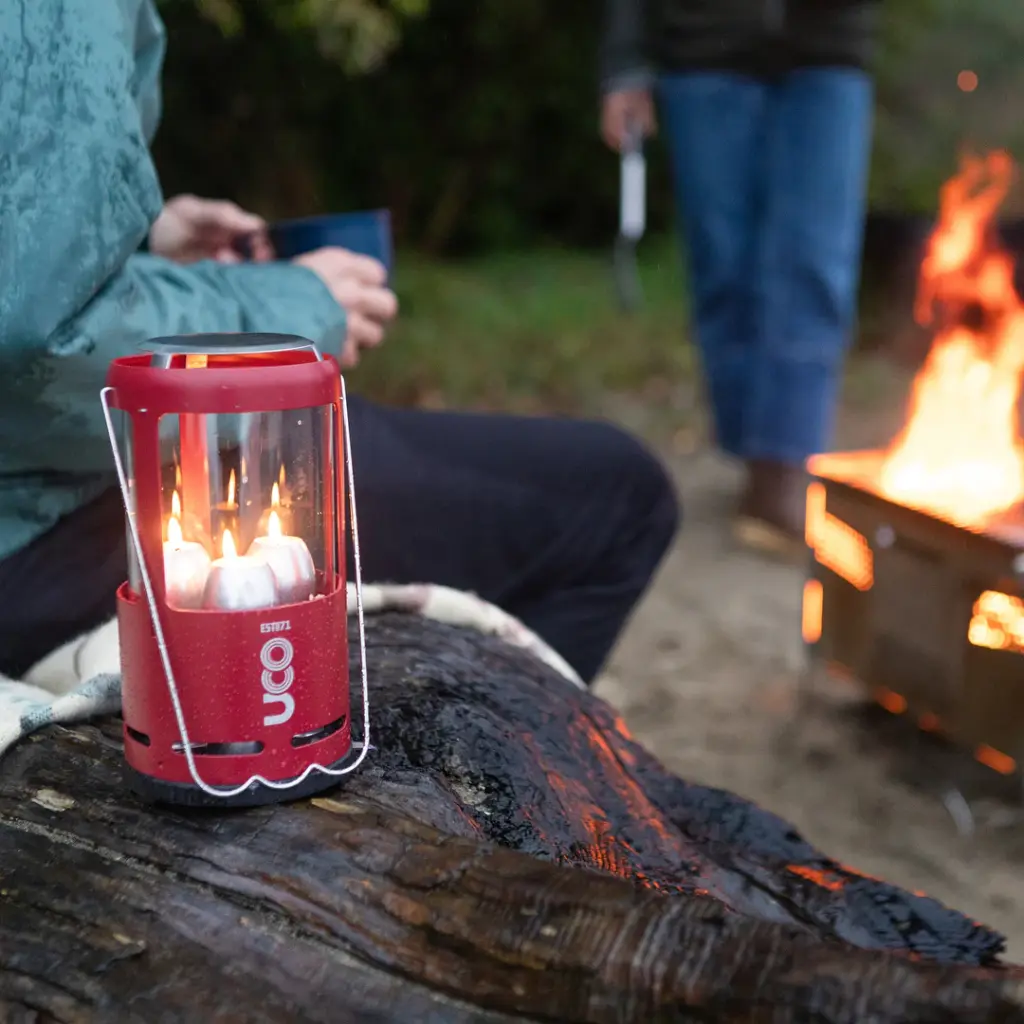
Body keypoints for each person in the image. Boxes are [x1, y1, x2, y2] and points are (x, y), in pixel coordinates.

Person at [0, 0, 678, 686]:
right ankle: (459, 781)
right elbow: (45, 342)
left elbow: (25, 267)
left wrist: (138, 248)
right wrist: (296, 304)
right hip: (42, 530)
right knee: (617, 501)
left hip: (42, 501)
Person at [600, 0, 879, 554]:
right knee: (723, 266)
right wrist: (624, 66)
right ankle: (752, 444)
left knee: (814, 262)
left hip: (828, 49)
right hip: (703, 53)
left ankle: (779, 465)